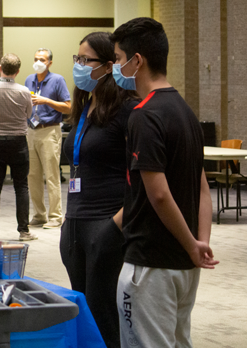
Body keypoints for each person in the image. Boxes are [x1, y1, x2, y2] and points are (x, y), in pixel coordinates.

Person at [111, 18, 219, 347]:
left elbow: (158, 195)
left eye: (118, 59)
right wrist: (199, 242)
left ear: (137, 60)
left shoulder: (145, 114)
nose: (116, 67)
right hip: (185, 265)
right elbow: (203, 188)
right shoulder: (185, 111)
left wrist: (191, 245)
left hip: (150, 265)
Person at [60, 32, 139, 348]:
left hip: (107, 223)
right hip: (76, 222)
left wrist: (113, 227)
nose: (78, 66)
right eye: (76, 59)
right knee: (82, 310)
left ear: (108, 66)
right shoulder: (84, 106)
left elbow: (143, 178)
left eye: (85, 60)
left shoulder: (127, 110)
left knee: (102, 311)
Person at [0, 53, 35, 241]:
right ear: (18, 71)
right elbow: (29, 113)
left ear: (0, 68)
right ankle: (24, 231)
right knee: (21, 186)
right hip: (19, 142)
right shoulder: (23, 92)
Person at [25, 48, 71, 230]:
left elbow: (68, 107)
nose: (38, 62)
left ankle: (55, 216)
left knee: (52, 174)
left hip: (50, 130)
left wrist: (47, 101)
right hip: (31, 130)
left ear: (50, 62)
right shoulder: (29, 79)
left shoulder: (58, 80)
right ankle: (39, 214)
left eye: (42, 59)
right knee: (32, 175)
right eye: (36, 58)